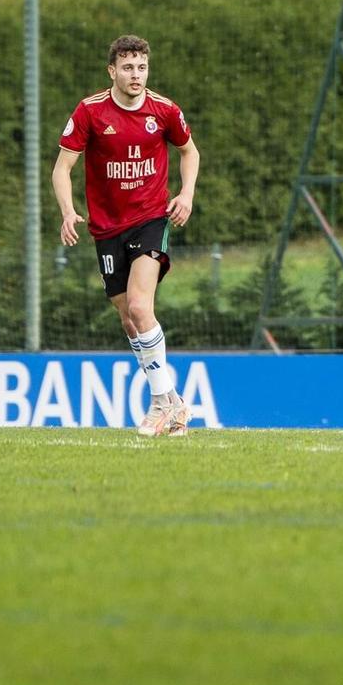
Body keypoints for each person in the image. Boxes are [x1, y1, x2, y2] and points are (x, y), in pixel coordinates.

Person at [53, 34, 200, 438]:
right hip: (106, 228)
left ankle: (162, 403)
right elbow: (62, 168)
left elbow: (190, 152)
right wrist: (68, 211)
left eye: (141, 67)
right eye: (128, 67)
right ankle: (170, 401)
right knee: (127, 318)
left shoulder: (165, 110)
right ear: (112, 71)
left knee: (139, 306)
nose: (136, 75)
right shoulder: (90, 112)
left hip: (152, 218)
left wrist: (185, 194)